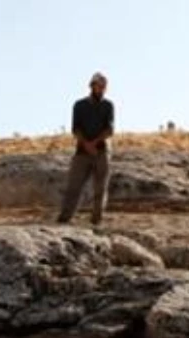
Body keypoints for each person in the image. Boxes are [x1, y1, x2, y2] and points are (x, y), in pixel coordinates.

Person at [56, 72, 115, 225]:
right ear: (92, 86)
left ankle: (96, 220)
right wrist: (87, 144)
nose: (101, 88)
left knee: (100, 188)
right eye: (98, 85)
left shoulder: (108, 105)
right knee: (74, 186)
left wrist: (95, 143)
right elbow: (75, 128)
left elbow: (110, 129)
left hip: (101, 151)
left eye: (103, 86)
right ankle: (65, 218)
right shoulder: (80, 105)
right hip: (82, 151)